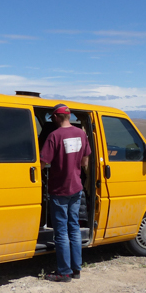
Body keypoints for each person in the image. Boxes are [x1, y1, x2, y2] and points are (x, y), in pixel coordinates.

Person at [40, 104, 91, 282]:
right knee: (74, 228)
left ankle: (64, 272)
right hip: (76, 188)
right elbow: (85, 161)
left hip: (59, 190)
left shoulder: (54, 136)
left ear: (56, 117)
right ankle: (76, 269)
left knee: (61, 232)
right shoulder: (81, 134)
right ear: (69, 116)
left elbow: (42, 163)